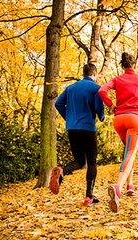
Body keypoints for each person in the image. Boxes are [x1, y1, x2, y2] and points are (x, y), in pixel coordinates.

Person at [98, 52, 138, 213]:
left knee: (129, 152)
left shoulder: (117, 79)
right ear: (135, 66)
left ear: (122, 66)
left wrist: (111, 104)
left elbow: (102, 91)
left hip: (119, 120)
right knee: (130, 152)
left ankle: (130, 185)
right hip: (134, 119)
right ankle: (119, 187)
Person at [49, 63, 105, 206]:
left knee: (79, 161)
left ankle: (62, 171)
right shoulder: (96, 88)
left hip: (72, 129)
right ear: (94, 74)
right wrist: (101, 116)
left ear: (83, 74)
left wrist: (69, 118)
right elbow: (99, 107)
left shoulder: (70, 88)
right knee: (91, 161)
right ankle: (89, 196)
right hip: (87, 128)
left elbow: (58, 104)